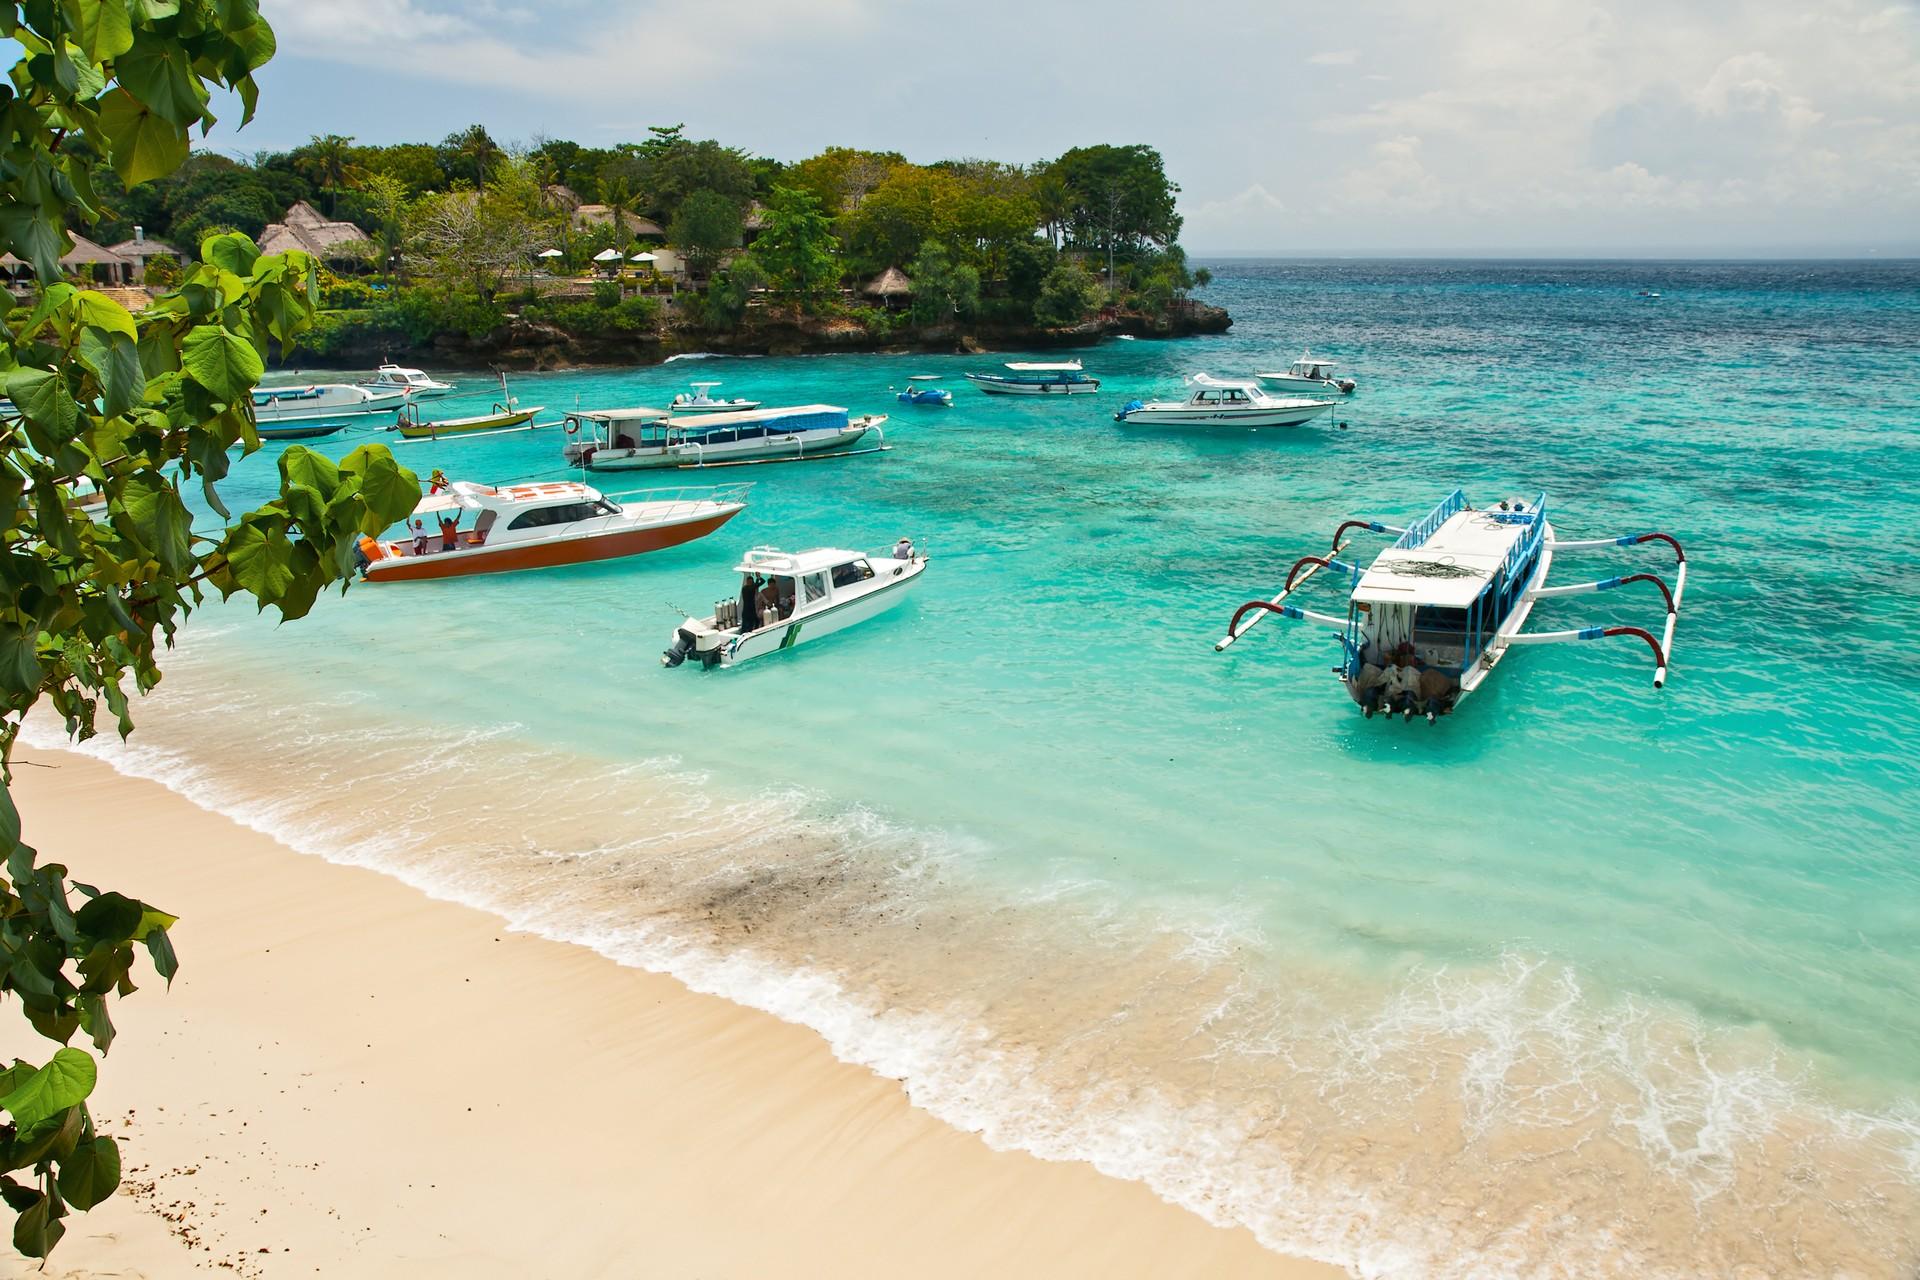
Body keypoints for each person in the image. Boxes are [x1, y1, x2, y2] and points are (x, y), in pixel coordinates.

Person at [1382, 651, 1422, 720]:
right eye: (1407, 660)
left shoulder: (1412, 671)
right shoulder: (1393, 668)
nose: (1409, 662)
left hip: (1409, 693)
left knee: (1408, 700)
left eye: (1411, 661)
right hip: (1394, 693)